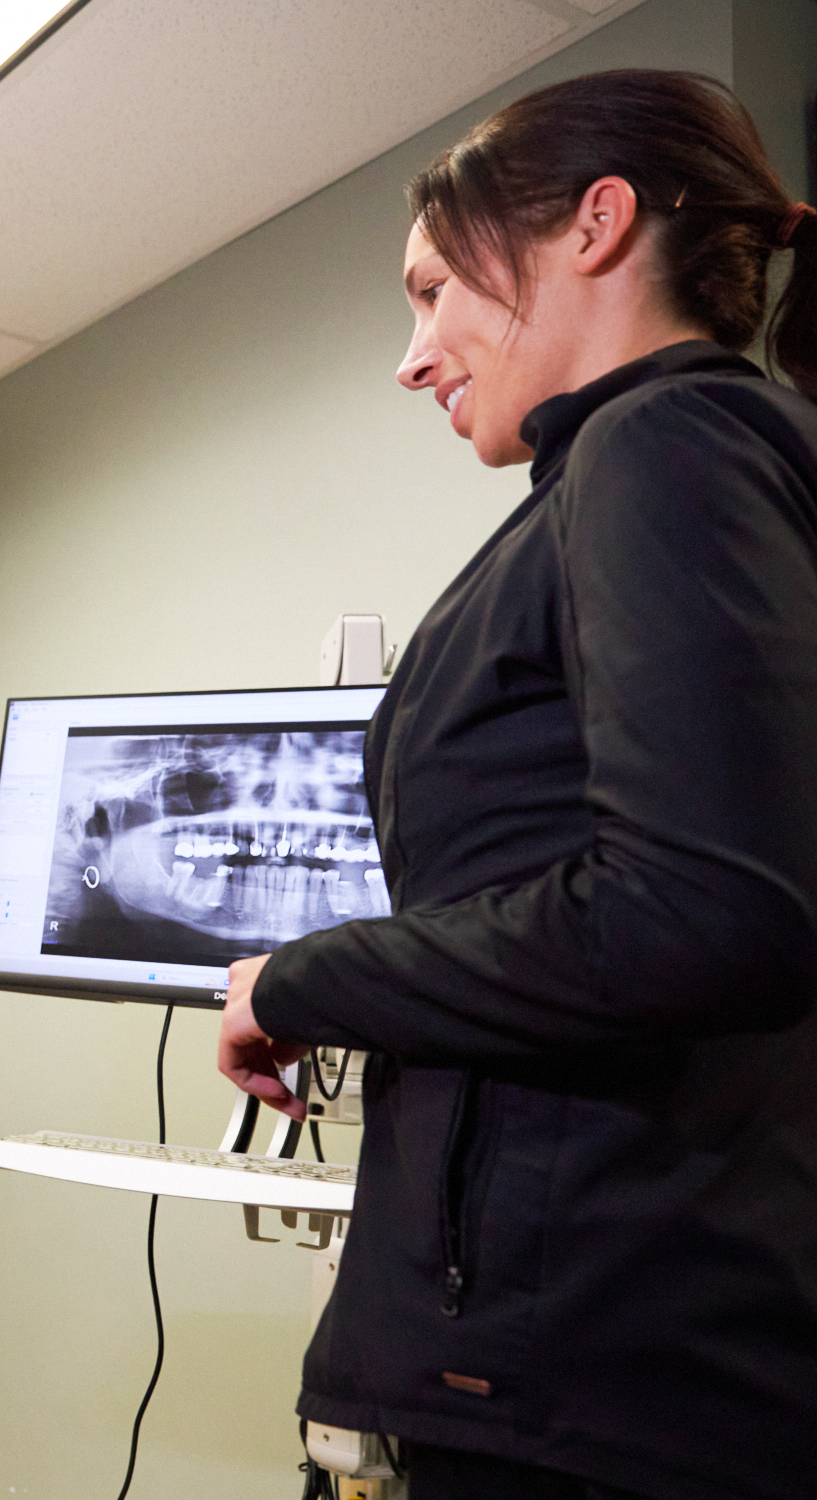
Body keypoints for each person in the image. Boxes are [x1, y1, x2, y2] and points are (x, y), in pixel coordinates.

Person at [215, 70, 817, 1500]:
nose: (413, 354)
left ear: (595, 225)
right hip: (586, 1354)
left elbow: (699, 911)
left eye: (434, 292)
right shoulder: (661, 472)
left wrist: (295, 982)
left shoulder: (671, 444)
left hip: (606, 1374)